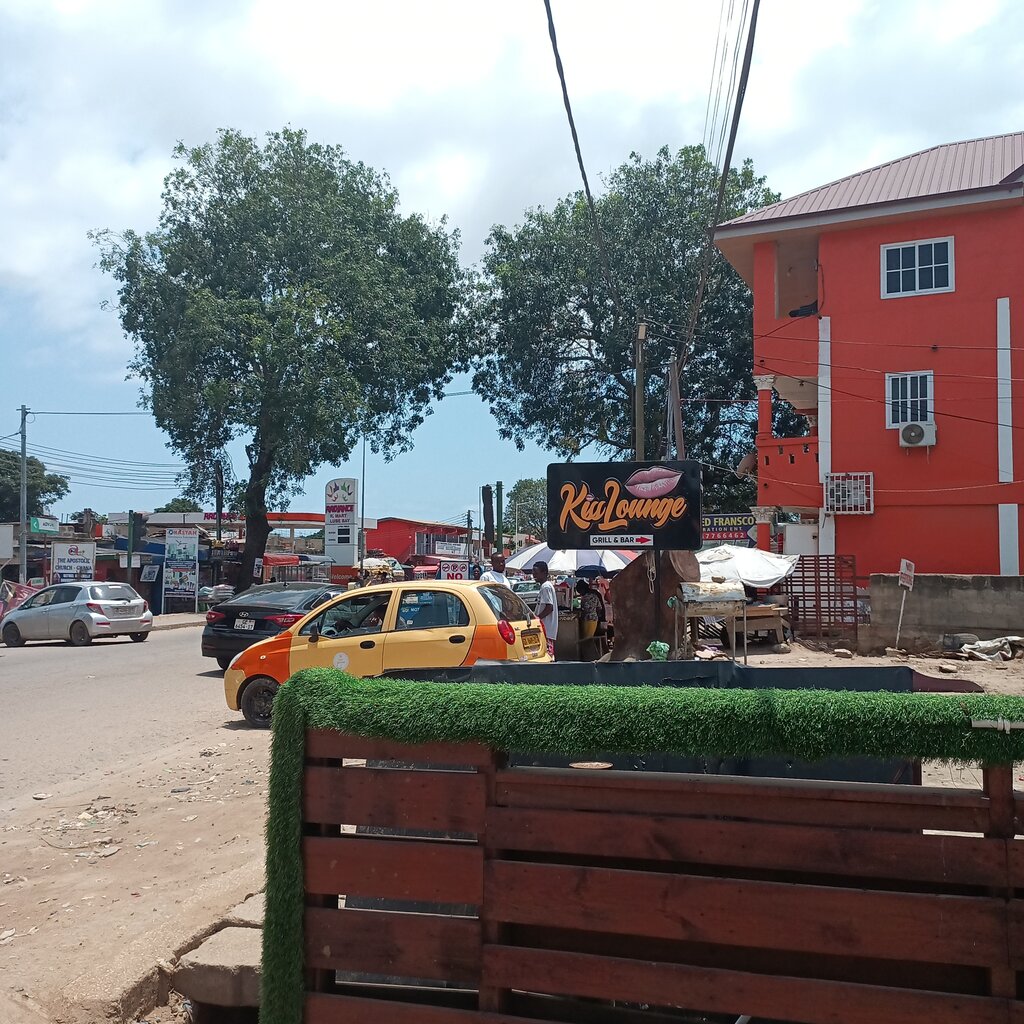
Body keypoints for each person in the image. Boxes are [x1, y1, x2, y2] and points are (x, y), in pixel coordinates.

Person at [532, 560, 558, 658]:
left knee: (547, 655)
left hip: (546, 628)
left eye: (536, 573)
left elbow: (549, 607)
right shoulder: (545, 586)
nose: (534, 575)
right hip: (545, 628)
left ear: (544, 573)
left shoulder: (546, 587)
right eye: (533, 573)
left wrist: (537, 618)